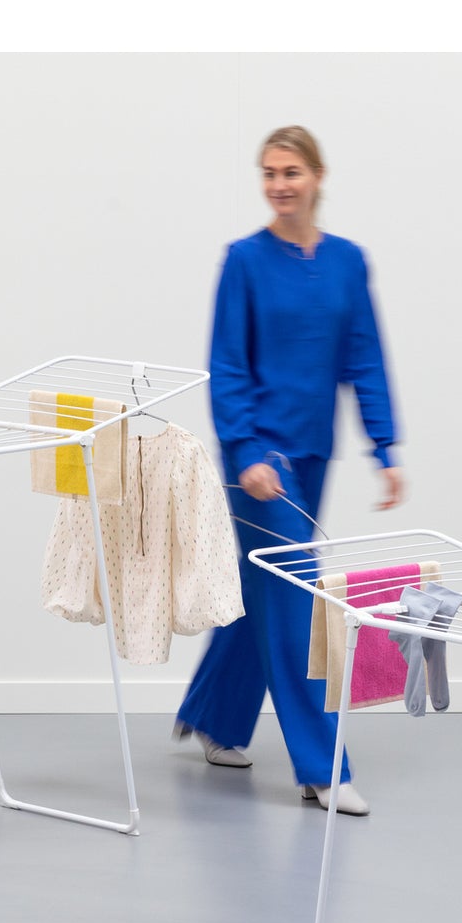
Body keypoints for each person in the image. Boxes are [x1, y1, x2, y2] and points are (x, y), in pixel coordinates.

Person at [174, 125, 404, 815]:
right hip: (258, 460)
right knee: (299, 604)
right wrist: (244, 451)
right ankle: (320, 767)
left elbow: (364, 356)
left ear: (317, 177)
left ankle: (215, 716)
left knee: (265, 590)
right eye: (269, 173)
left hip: (311, 452)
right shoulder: (244, 261)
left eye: (291, 172)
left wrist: (384, 447)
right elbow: (227, 365)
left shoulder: (347, 262)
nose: (279, 185)